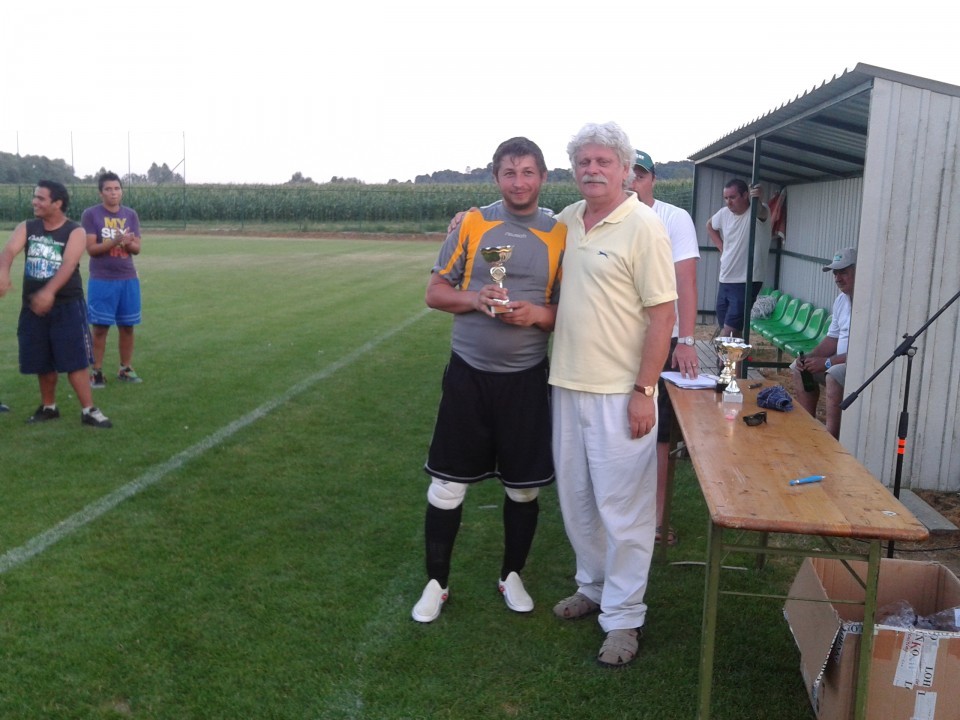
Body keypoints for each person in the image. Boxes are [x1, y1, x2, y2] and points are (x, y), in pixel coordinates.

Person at [412, 137, 566, 623]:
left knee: (523, 490)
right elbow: (435, 292)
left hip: (525, 379)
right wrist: (476, 299)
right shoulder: (473, 223)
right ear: (496, 177)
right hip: (468, 374)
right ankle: (436, 583)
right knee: (446, 487)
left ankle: (512, 575)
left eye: (527, 172)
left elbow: (571, 311)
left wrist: (537, 315)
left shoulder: (562, 233)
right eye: (509, 173)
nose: (519, 182)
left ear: (543, 176)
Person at [549, 123, 676, 667]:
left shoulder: (643, 226)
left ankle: (624, 618)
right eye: (584, 161)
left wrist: (645, 390)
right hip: (566, 384)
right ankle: (594, 586)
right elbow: (519, 228)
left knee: (623, 510)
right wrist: (471, 218)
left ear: (625, 169)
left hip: (621, 393)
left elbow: (663, 315)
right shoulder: (567, 220)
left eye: (604, 161)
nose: (593, 169)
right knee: (578, 502)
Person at [0, 181, 112, 428]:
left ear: (57, 203)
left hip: (67, 306)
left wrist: (49, 292)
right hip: (33, 307)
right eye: (35, 197)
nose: (34, 202)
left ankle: (89, 410)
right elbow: (8, 251)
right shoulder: (28, 227)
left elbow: (69, 264)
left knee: (75, 360)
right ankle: (49, 407)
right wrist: (3, 272)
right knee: (42, 360)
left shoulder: (75, 231)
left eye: (41, 198)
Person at [630, 150, 699, 548]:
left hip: (662, 338)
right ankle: (621, 517)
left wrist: (686, 340)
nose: (633, 182)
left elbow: (686, 281)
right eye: (628, 174)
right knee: (619, 430)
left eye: (640, 175)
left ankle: (658, 520)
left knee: (660, 436)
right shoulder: (604, 217)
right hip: (617, 341)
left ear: (653, 179)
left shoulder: (673, 218)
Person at [81, 172, 143, 387]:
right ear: (101, 193)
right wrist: (115, 240)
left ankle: (125, 368)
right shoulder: (91, 214)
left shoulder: (131, 215)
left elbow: (137, 248)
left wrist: (127, 243)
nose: (113, 193)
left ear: (121, 191)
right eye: (108, 189)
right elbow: (91, 249)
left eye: (117, 188)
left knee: (127, 326)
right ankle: (96, 372)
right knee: (100, 328)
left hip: (128, 278)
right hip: (102, 279)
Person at [791, 247, 857, 439]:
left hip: (859, 366)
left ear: (858, 271)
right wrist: (810, 357)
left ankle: (831, 437)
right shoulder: (841, 300)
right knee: (798, 368)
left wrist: (828, 362)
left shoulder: (868, 303)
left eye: (843, 272)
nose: (837, 278)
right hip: (840, 362)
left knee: (833, 374)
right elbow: (832, 339)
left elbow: (863, 353)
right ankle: (807, 430)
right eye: (835, 273)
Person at [705, 179, 771, 337]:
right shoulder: (723, 213)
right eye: (726, 198)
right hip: (725, 278)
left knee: (729, 331)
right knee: (729, 329)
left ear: (746, 195)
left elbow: (761, 211)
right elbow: (709, 225)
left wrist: (758, 198)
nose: (729, 202)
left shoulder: (757, 212)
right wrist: (722, 247)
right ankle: (734, 354)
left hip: (747, 280)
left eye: (733, 197)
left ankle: (722, 354)